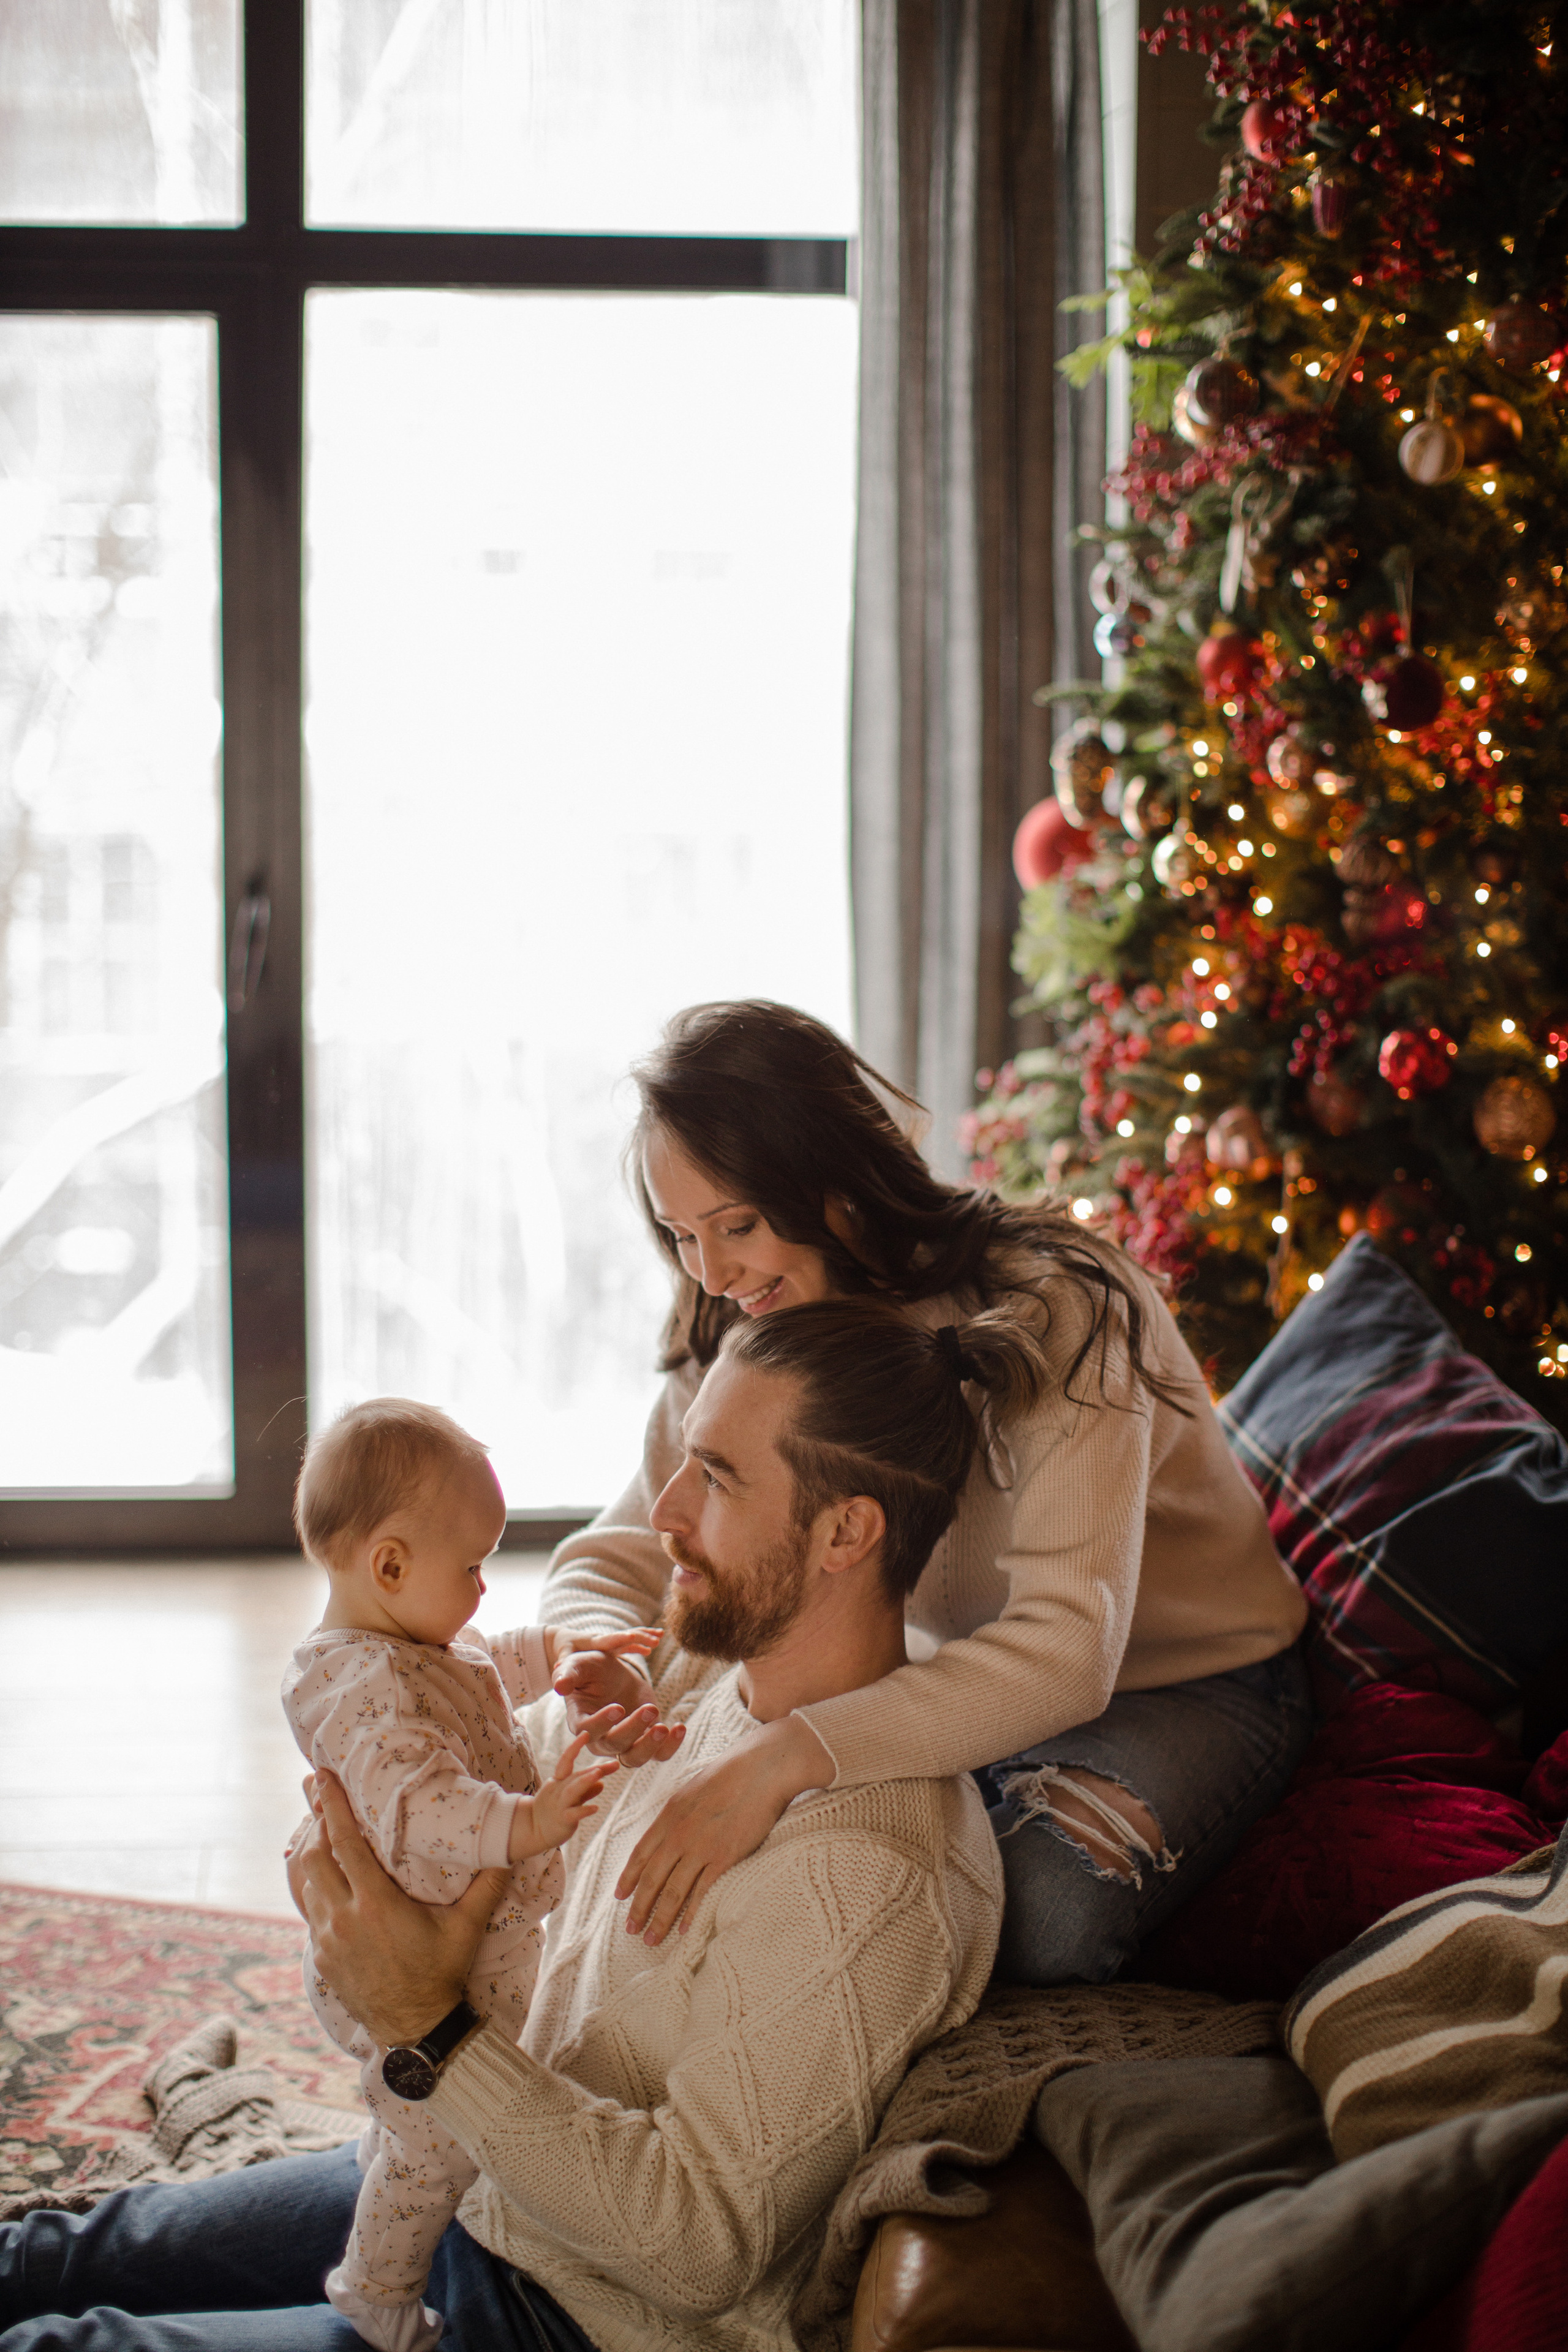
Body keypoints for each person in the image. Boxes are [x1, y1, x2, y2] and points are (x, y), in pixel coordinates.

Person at [0, 1302, 1007, 2352]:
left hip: (566, 2314)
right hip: (477, 2171)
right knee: (61, 2254)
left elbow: (696, 2246)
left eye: (715, 1476)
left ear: (847, 1529)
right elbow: (470, 1736)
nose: (662, 1511)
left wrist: (432, 2027)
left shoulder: (868, 1874)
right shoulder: (714, 1678)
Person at [546, 999, 1313, 1985]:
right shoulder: (745, 1316)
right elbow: (619, 1552)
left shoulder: (1058, 1307)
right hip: (945, 1681)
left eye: (737, 1224)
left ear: (839, 1183)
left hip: (1185, 1683)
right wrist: (589, 1650)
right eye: (681, 1234)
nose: (714, 1271)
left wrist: (787, 1757)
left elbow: (1069, 1654)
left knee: (1035, 1919)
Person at [282, 1398, 663, 2352]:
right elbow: (420, 1807)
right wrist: (528, 1822)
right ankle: (377, 2290)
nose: (486, 1587)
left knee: (427, 2113)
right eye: (476, 1565)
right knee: (439, 2142)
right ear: (391, 1566)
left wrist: (567, 1653)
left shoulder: (408, 1642)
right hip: (417, 1959)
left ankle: (391, 2134)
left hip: (466, 1947)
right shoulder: (361, 1692)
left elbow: (484, 1665)